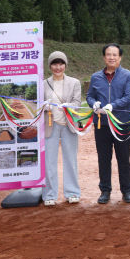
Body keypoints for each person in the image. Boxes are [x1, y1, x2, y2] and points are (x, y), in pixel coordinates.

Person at [86, 43, 130, 204]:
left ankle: (126, 190)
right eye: (109, 54)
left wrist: (112, 105)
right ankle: (105, 191)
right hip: (101, 124)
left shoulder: (128, 75)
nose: (112, 57)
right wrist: (93, 103)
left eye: (115, 55)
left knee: (123, 158)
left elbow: (129, 96)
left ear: (120, 57)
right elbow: (89, 96)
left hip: (121, 123)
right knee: (104, 158)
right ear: (104, 57)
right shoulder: (96, 77)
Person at [42, 51, 82, 206]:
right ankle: (49, 195)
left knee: (70, 159)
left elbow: (77, 102)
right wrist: (44, 106)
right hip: (50, 125)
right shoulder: (43, 83)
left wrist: (68, 106)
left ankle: (72, 192)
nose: (58, 67)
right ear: (50, 66)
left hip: (69, 125)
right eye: (54, 64)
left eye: (61, 64)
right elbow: (36, 103)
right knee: (49, 161)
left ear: (65, 65)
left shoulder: (74, 82)